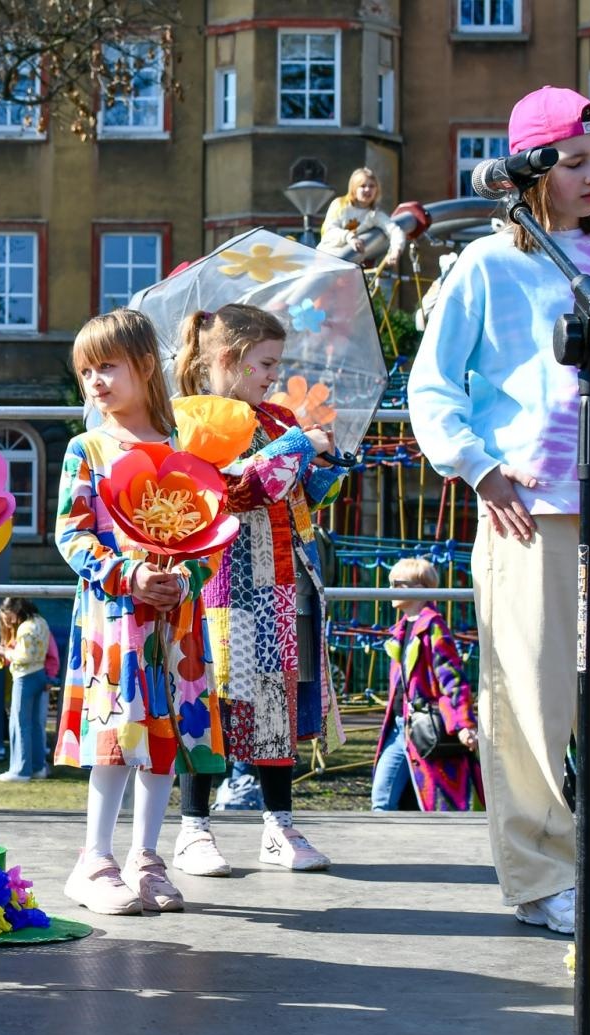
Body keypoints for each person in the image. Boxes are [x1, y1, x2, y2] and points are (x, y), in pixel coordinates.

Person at [409, 86, 590, 935]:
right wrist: (480, 469)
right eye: (574, 164)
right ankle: (543, 879)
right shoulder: (486, 265)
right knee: (531, 698)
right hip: (525, 507)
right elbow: (432, 385)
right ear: (531, 171)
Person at [53, 308, 223, 916]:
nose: (95, 381)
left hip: (176, 622)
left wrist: (184, 579)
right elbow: (72, 534)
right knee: (116, 734)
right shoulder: (87, 449)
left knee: (164, 735)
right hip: (116, 621)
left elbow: (211, 534)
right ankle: (94, 860)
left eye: (107, 366)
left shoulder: (186, 449)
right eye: (85, 372)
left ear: (145, 366)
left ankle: (146, 858)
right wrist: (128, 575)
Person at [169, 304, 345, 876]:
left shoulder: (276, 418)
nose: (274, 374)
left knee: (276, 700)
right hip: (221, 582)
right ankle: (193, 828)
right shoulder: (194, 418)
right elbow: (235, 490)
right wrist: (298, 446)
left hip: (281, 582)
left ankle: (279, 824)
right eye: (266, 363)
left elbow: (299, 496)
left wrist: (326, 463)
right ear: (230, 358)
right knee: (210, 699)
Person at [370, 558, 484, 812]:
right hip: (400, 726)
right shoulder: (401, 630)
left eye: (397, 584)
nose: (390, 590)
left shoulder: (433, 628)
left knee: (436, 803)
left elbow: (452, 678)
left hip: (426, 726)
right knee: (382, 798)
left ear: (419, 588)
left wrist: (464, 723)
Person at [0, 596, 52, 782]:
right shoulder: (41, 622)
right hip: (40, 673)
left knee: (19, 724)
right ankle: (38, 766)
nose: (9, 621)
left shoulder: (25, 627)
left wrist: (5, 652)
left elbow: (23, 656)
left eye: (8, 615)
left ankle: (21, 770)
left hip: (24, 677)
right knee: (35, 725)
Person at [318, 167, 407, 267]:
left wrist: (396, 251)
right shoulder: (340, 204)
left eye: (372, 186)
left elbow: (395, 231)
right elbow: (329, 231)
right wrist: (349, 237)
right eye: (363, 186)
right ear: (354, 189)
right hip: (325, 258)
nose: (368, 189)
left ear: (377, 190)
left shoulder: (374, 215)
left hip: (349, 265)